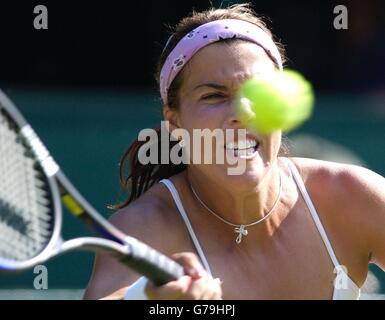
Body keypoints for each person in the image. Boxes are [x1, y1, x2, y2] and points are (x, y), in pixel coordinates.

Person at [83, 4, 385, 300]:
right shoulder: (142, 228)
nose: (241, 113)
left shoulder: (354, 196)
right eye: (214, 96)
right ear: (174, 122)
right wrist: (153, 302)